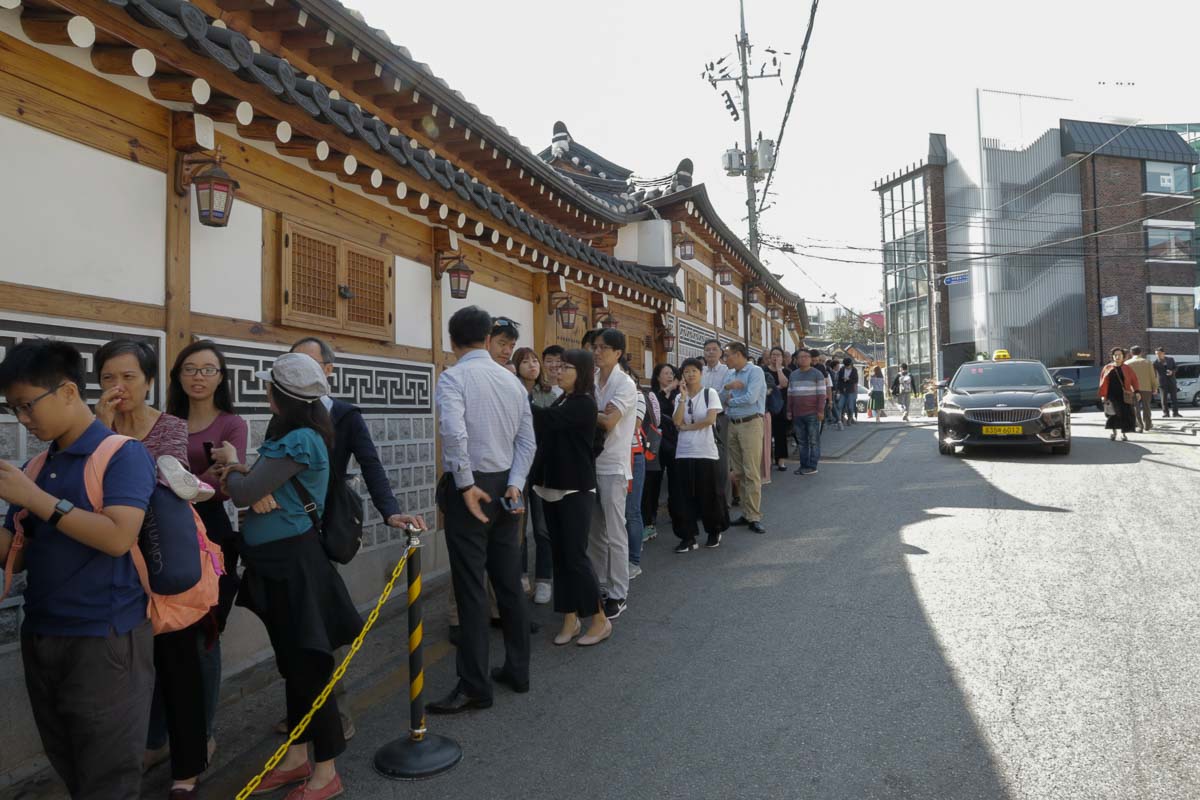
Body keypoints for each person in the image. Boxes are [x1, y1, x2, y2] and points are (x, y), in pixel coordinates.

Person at [0, 340, 157, 800]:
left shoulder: (121, 454)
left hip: (106, 640)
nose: (23, 420)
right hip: (44, 633)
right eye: (13, 409)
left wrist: (34, 499)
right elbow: (16, 552)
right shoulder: (36, 465)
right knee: (69, 762)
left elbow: (117, 537)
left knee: (108, 778)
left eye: (28, 406)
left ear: (68, 392)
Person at [213, 353, 359, 800]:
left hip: (293, 563)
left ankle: (326, 772)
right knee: (293, 664)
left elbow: (242, 491)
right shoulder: (297, 434)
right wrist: (247, 479)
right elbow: (253, 487)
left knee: (309, 666)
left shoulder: (298, 439)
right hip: (277, 562)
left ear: (277, 394)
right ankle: (296, 757)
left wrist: (234, 468)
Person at [289, 337, 426, 741]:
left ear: (329, 371)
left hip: (323, 526)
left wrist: (390, 511)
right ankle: (300, 709)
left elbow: (370, 464)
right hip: (285, 531)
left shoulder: (345, 415)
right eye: (292, 365)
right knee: (293, 622)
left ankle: (335, 712)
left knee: (323, 622)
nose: (300, 374)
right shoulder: (284, 412)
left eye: (309, 365)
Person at [95, 339, 210, 798]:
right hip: (109, 562)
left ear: (148, 381)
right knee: (125, 670)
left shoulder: (170, 427)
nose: (118, 386)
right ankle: (143, 747)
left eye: (128, 377)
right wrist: (99, 430)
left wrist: (105, 441)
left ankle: (187, 765)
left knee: (179, 666)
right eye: (107, 378)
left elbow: (158, 486)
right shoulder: (88, 425)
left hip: (162, 561)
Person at [428, 306, 535, 714]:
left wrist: (465, 484)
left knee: (471, 587)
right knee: (509, 581)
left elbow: (453, 431)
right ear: (488, 340)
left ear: (452, 341)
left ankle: (475, 684)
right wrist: (515, 484)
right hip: (507, 486)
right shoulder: (511, 382)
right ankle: (518, 669)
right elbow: (528, 442)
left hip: (469, 488)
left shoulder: (454, 377)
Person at [166, 339, 248, 764]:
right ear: (177, 375)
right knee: (163, 635)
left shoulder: (232, 424)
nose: (199, 377)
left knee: (205, 634)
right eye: (190, 369)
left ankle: (204, 732)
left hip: (211, 534)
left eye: (208, 369)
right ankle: (164, 734)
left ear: (221, 377)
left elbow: (225, 485)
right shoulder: (165, 421)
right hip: (160, 531)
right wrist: (198, 480)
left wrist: (179, 484)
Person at [531, 349, 611, 646]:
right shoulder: (564, 399)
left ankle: (599, 619)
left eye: (566, 367)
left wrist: (518, 398)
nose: (558, 370)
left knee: (575, 557)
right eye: (558, 365)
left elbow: (547, 421)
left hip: (575, 489)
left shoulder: (583, 403)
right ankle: (569, 617)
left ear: (582, 372)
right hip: (551, 487)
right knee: (560, 556)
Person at [590, 329, 638, 620]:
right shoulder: (592, 379)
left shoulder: (625, 384)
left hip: (613, 465)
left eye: (603, 348)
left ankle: (619, 592)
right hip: (591, 464)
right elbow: (600, 416)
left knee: (615, 531)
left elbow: (609, 422)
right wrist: (595, 411)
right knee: (595, 532)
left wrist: (588, 411)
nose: (597, 352)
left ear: (618, 353)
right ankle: (599, 586)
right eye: (595, 347)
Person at [669, 358, 727, 551]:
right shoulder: (679, 397)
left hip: (706, 451)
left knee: (709, 493)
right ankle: (688, 536)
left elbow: (710, 420)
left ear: (700, 373)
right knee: (683, 496)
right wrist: (683, 398)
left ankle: (714, 530)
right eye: (687, 371)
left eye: (694, 370)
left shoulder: (710, 394)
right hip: (683, 451)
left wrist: (687, 427)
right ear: (682, 375)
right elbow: (676, 422)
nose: (690, 374)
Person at [513, 346, 556, 604]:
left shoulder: (549, 395)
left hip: (541, 468)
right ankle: (520, 575)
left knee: (542, 527)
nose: (532, 365)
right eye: (526, 361)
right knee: (517, 527)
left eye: (534, 360)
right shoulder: (510, 390)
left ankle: (544, 580)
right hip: (516, 468)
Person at [722, 342, 767, 535]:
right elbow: (720, 396)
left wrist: (731, 401)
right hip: (733, 424)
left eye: (728, 355)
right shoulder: (730, 374)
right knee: (738, 471)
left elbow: (751, 398)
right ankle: (746, 513)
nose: (726, 359)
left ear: (739, 354)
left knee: (751, 471)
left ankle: (754, 516)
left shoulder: (755, 371)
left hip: (750, 423)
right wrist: (728, 387)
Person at [642, 363, 679, 542]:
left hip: (674, 443)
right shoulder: (652, 395)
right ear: (657, 377)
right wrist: (666, 391)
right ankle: (650, 517)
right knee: (653, 482)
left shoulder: (679, 394)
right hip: (656, 444)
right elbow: (653, 417)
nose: (670, 376)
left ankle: (676, 512)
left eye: (671, 373)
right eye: (665, 373)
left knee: (675, 479)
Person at [787, 350, 828, 476]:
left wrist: (821, 411)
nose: (803, 359)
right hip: (797, 413)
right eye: (800, 357)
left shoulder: (817, 374)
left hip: (813, 413)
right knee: (802, 442)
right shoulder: (793, 375)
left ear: (810, 359)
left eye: (806, 357)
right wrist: (789, 411)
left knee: (813, 440)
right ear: (796, 360)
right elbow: (790, 394)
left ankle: (812, 465)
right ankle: (803, 465)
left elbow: (822, 394)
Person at [700, 339, 731, 505]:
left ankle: (724, 500)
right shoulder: (700, 371)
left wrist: (706, 403)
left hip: (720, 418)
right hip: (701, 420)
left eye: (714, 349)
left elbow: (724, 395)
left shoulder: (727, 371)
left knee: (722, 460)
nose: (710, 352)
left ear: (721, 353)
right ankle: (707, 500)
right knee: (704, 458)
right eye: (707, 350)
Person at [1100, 347, 1139, 442]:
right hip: (1111, 395)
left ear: (1123, 356)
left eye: (1119, 355)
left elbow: (1134, 380)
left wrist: (1137, 391)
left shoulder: (1127, 368)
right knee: (1112, 414)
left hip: (1124, 395)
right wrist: (1103, 395)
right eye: (1115, 355)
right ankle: (1114, 433)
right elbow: (1102, 382)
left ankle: (1124, 433)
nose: (1117, 357)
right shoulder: (1107, 368)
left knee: (1125, 414)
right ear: (1112, 356)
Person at [765, 347, 791, 471]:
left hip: (781, 406)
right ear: (769, 357)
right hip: (766, 406)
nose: (775, 357)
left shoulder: (786, 371)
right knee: (766, 435)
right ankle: (767, 461)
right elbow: (764, 388)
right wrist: (776, 387)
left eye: (778, 355)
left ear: (782, 357)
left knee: (781, 434)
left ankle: (780, 461)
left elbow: (785, 384)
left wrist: (779, 369)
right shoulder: (763, 370)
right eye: (773, 355)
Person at [1125, 346, 1158, 433]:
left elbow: (1126, 378)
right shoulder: (1148, 362)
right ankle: (1147, 424)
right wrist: (1155, 387)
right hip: (1147, 388)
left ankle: (1140, 426)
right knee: (1147, 407)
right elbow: (1152, 376)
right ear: (1141, 352)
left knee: (1136, 407)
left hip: (1134, 389)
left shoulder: (1127, 363)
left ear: (1131, 353)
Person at [1154, 347, 1181, 418]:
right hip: (1162, 383)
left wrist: (1172, 372)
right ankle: (1166, 413)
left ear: (1163, 353)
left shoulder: (1170, 359)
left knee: (1174, 398)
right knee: (1163, 399)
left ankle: (1176, 413)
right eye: (1156, 354)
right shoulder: (1155, 363)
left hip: (1172, 381)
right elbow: (1154, 374)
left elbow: (1176, 368)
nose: (1158, 355)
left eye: (1159, 353)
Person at [836, 358, 859, 425]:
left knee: (850, 406)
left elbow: (856, 380)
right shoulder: (842, 370)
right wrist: (839, 389)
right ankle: (840, 420)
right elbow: (839, 380)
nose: (847, 367)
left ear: (851, 364)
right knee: (840, 405)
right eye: (846, 366)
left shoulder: (854, 370)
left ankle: (850, 419)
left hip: (851, 390)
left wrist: (849, 379)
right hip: (843, 390)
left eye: (848, 365)